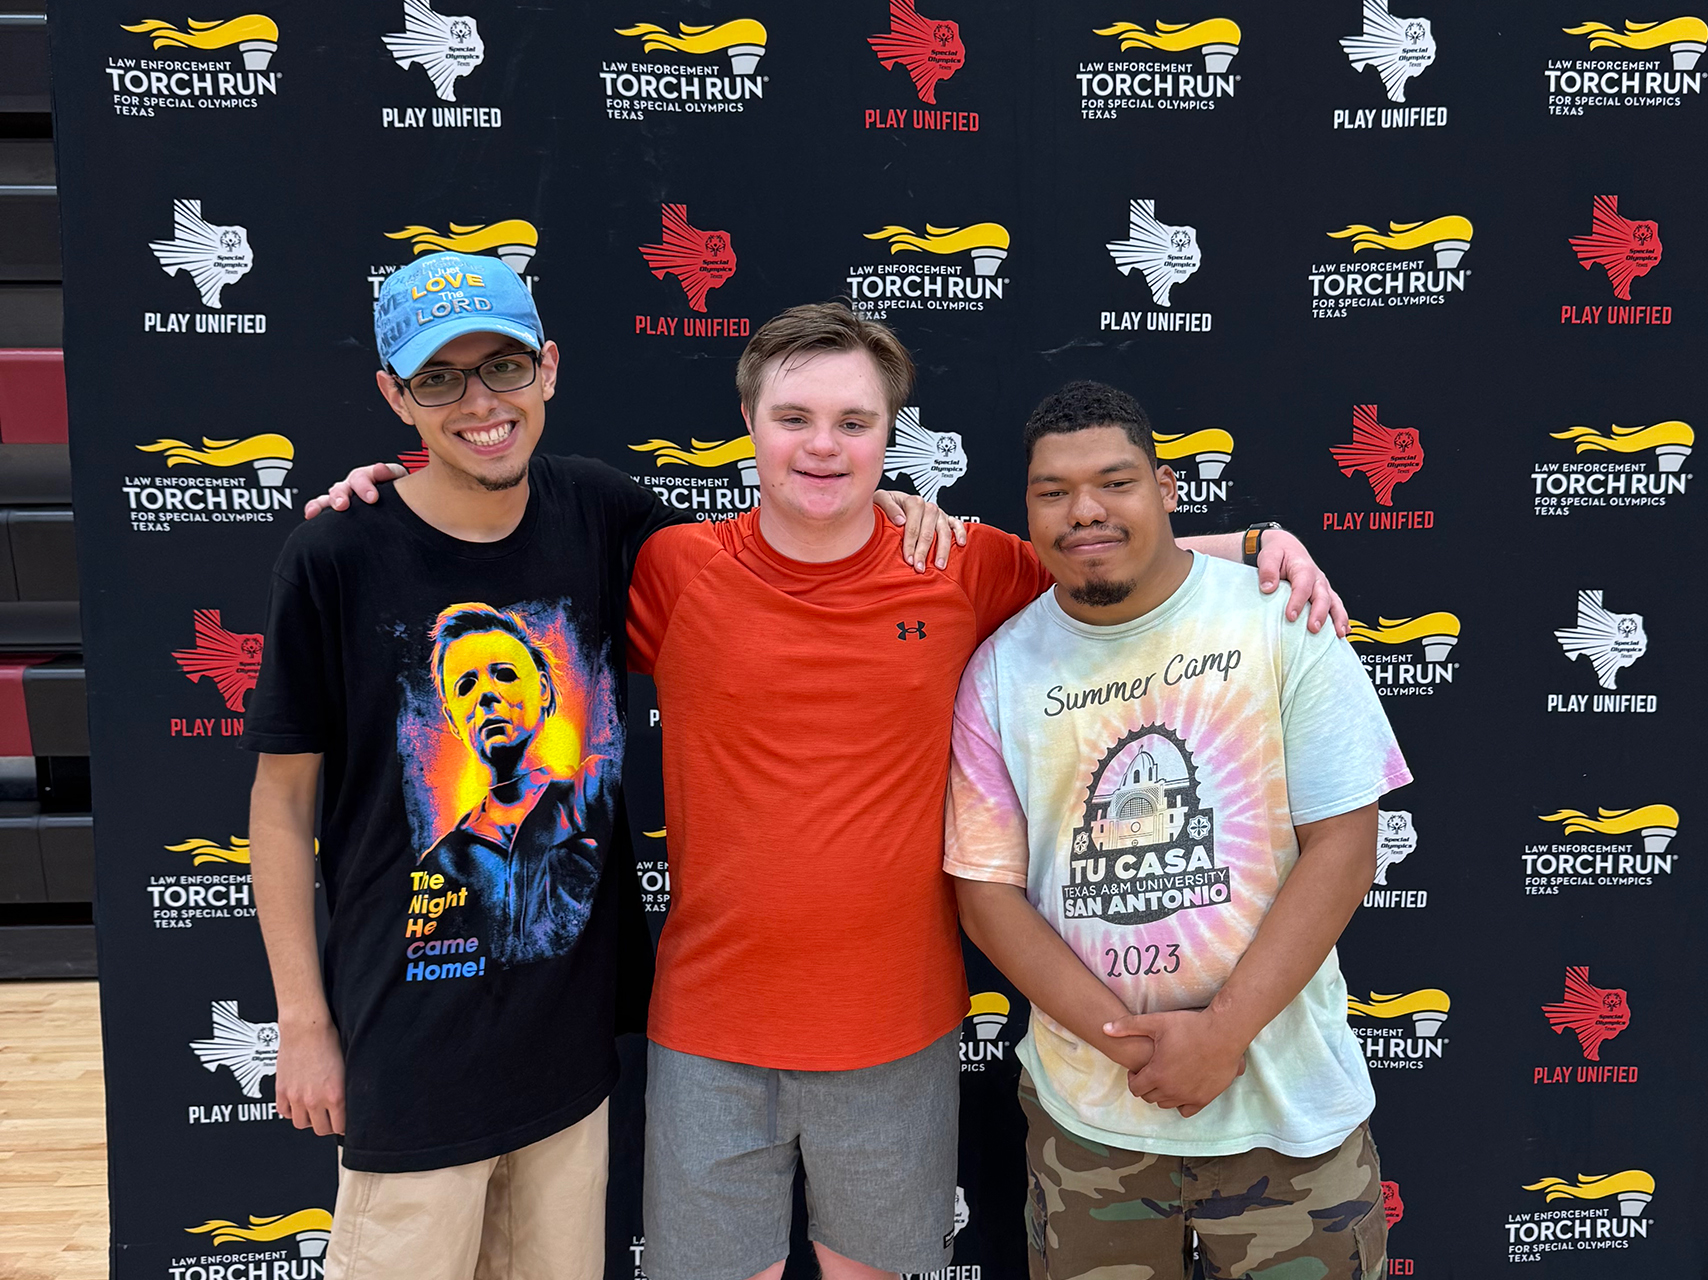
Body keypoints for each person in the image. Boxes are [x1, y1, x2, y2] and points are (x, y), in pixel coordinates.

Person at [313, 302, 1349, 1280]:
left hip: (897, 1029)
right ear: (749, 425)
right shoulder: (675, 568)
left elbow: (1109, 565)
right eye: (795, 417)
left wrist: (1254, 547)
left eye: (854, 421)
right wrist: (395, 494)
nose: (823, 445)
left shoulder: (956, 563)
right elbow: (494, 562)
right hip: (709, 1030)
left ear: (891, 434)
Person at [943, 381, 1409, 1280]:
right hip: (1090, 1126)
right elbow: (986, 896)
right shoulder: (999, 671)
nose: (1086, 511)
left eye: (1115, 482)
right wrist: (1135, 1044)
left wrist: (1224, 1032)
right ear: (1029, 510)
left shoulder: (1282, 619)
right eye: (1053, 492)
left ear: (1165, 488)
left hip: (1290, 1118)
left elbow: (1346, 849)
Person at [421, 602, 612, 966]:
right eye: (466, 686)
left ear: (541, 688)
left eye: (504, 674)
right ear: (452, 719)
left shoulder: (594, 792)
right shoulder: (444, 861)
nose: (486, 695)